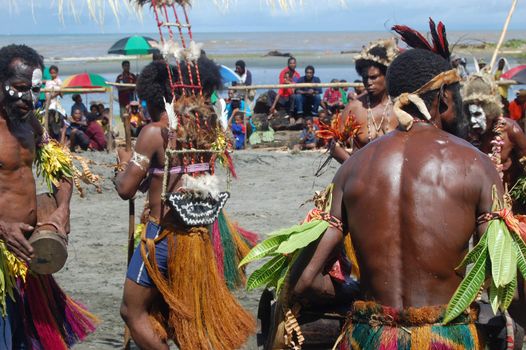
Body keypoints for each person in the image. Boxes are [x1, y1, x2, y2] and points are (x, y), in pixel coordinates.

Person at [292, 46, 503, 350]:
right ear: (443, 97)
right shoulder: (477, 165)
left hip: (370, 337)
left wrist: (353, 292)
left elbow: (305, 280)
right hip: (446, 338)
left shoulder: (352, 168)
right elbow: (502, 279)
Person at [115, 58, 255, 350]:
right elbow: (168, 177)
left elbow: (126, 189)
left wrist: (123, 165)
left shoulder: (155, 132)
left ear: (154, 97)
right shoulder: (203, 131)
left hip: (161, 237)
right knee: (186, 317)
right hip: (197, 236)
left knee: (132, 311)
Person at [0, 44, 96, 349]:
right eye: (19, 88)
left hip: (29, 258)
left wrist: (62, 208)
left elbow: (61, 168)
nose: (29, 97)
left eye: (35, 89)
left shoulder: (28, 123)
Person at [463, 73, 526, 211]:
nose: (473, 121)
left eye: (478, 114)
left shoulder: (511, 131)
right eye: (470, 114)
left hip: (510, 207)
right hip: (479, 206)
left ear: (490, 110)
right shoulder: (466, 135)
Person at [332, 39, 399, 163]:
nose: (368, 83)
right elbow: (335, 146)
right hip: (361, 176)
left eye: (373, 77)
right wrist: (354, 167)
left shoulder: (401, 106)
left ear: (387, 75)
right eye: (365, 78)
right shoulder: (355, 107)